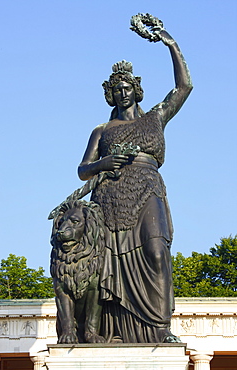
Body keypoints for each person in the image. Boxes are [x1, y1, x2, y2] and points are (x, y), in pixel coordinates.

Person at [78, 23, 193, 343]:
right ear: (110, 93)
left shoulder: (155, 117)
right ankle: (111, 330)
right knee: (108, 264)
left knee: (157, 251)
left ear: (136, 89)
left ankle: (159, 327)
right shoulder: (101, 129)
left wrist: (170, 42)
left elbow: (184, 87)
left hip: (147, 189)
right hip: (110, 197)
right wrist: (103, 163)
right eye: (117, 89)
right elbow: (82, 169)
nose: (123, 92)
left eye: (127, 87)